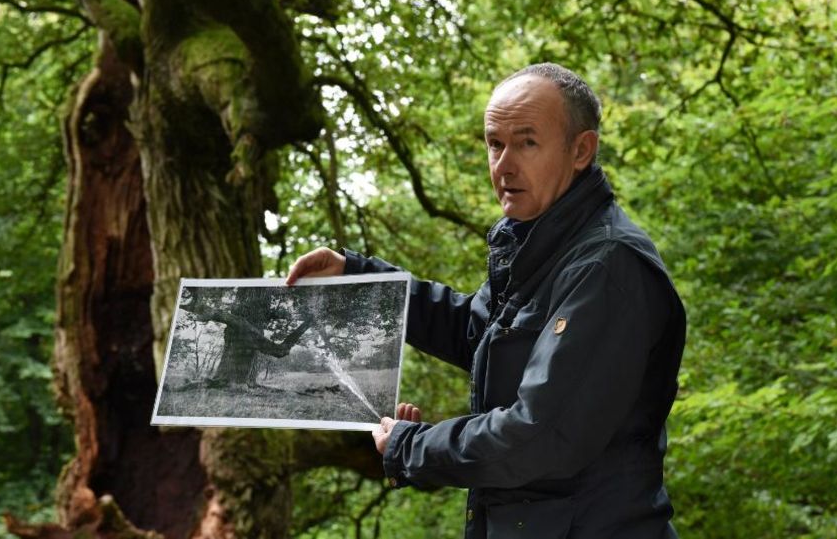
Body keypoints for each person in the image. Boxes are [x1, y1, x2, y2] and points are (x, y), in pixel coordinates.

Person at [286, 63, 686, 538]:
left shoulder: (607, 265)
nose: (504, 164)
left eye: (526, 142)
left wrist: (411, 447)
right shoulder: (539, 245)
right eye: (495, 143)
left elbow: (535, 437)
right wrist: (359, 278)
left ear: (581, 150)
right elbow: (474, 332)